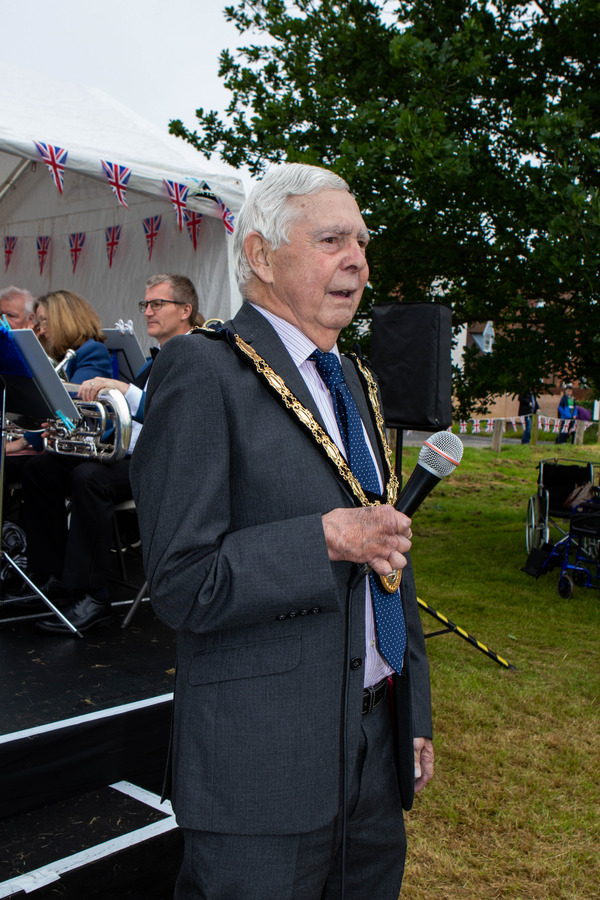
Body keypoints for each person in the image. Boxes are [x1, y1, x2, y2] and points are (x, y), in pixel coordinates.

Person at [130, 164, 433, 900]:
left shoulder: (352, 378)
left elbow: (388, 546)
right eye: (330, 239)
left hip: (369, 749)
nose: (357, 259)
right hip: (258, 766)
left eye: (361, 240)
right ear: (262, 255)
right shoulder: (201, 370)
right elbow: (180, 582)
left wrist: (410, 709)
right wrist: (323, 541)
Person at [7, 276, 202, 634]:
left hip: (168, 464)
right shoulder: (157, 358)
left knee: (89, 478)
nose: (148, 312)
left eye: (158, 304)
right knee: (42, 468)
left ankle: (92, 597)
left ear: (186, 311)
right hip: (134, 454)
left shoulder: (199, 353)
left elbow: (170, 414)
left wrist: (122, 388)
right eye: (145, 304)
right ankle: (50, 575)